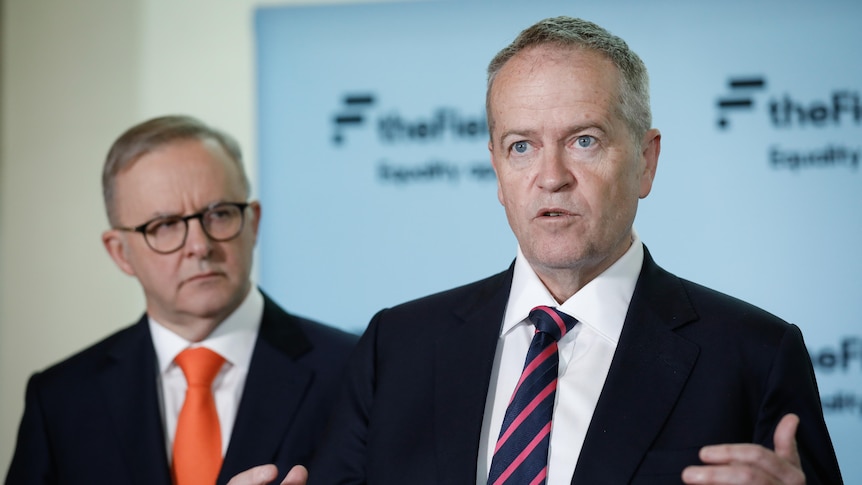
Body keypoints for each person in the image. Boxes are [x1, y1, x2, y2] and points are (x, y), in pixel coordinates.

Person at [230, 16, 842, 485]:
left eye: (583, 139)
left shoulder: (754, 356)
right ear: (496, 170)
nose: (551, 176)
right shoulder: (398, 347)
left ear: (647, 161)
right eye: (521, 146)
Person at [5, 115, 358, 485]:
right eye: (165, 226)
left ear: (253, 222)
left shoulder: (354, 369)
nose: (199, 246)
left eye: (219, 214)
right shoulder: (62, 399)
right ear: (120, 252)